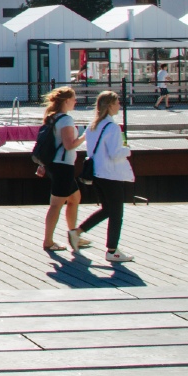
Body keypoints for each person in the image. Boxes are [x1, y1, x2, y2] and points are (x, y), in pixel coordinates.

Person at [70, 91, 135, 263]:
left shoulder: (93, 126)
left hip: (97, 173)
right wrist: (127, 149)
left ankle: (77, 232)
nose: (119, 105)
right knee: (116, 213)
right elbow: (115, 154)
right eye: (117, 103)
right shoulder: (112, 127)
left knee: (107, 209)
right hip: (111, 174)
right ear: (109, 106)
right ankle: (112, 250)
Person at [38, 87, 90, 252]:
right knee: (56, 204)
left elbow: (48, 143)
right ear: (66, 101)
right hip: (63, 167)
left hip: (54, 165)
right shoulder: (66, 120)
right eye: (74, 99)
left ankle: (73, 235)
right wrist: (85, 136)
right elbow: (69, 145)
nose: (76, 101)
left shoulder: (51, 118)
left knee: (75, 198)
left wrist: (41, 165)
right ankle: (48, 242)